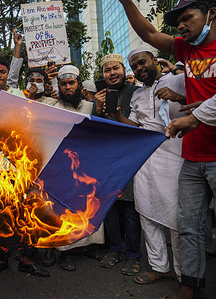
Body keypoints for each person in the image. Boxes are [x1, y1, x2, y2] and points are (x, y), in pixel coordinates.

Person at [119, 0, 216, 297]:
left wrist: (191, 114)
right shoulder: (187, 51)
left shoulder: (177, 72)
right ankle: (189, 286)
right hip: (192, 156)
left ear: (211, 14)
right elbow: (148, 32)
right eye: (178, 23)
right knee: (186, 225)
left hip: (205, 154)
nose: (182, 26)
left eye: (188, 18)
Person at [108, 47, 186, 285]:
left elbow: (203, 104)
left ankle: (186, 275)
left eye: (142, 63)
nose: (139, 68)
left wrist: (178, 97)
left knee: (176, 219)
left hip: (175, 158)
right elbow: (136, 126)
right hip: (146, 160)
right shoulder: (137, 95)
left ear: (154, 60)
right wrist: (117, 116)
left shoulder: (179, 80)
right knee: (147, 214)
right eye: (134, 67)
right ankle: (160, 267)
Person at [0, 55, 50, 277]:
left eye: (2, 72)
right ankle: (1, 259)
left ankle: (27, 259)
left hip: (20, 165)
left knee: (24, 212)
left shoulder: (18, 95)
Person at [41, 65, 104, 271]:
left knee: (81, 210)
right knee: (55, 211)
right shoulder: (50, 104)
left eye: (71, 83)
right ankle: (54, 250)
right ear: (58, 86)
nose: (68, 87)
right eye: (63, 84)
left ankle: (73, 250)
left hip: (84, 169)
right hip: (56, 167)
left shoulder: (89, 106)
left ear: (78, 84)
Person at [95, 53, 142, 277]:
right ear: (103, 75)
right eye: (107, 70)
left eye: (116, 69)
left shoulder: (137, 92)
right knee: (111, 207)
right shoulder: (99, 97)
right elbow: (97, 130)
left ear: (124, 71)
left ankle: (133, 255)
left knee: (131, 209)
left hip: (132, 158)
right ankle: (115, 249)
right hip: (108, 160)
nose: (112, 73)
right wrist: (97, 107)